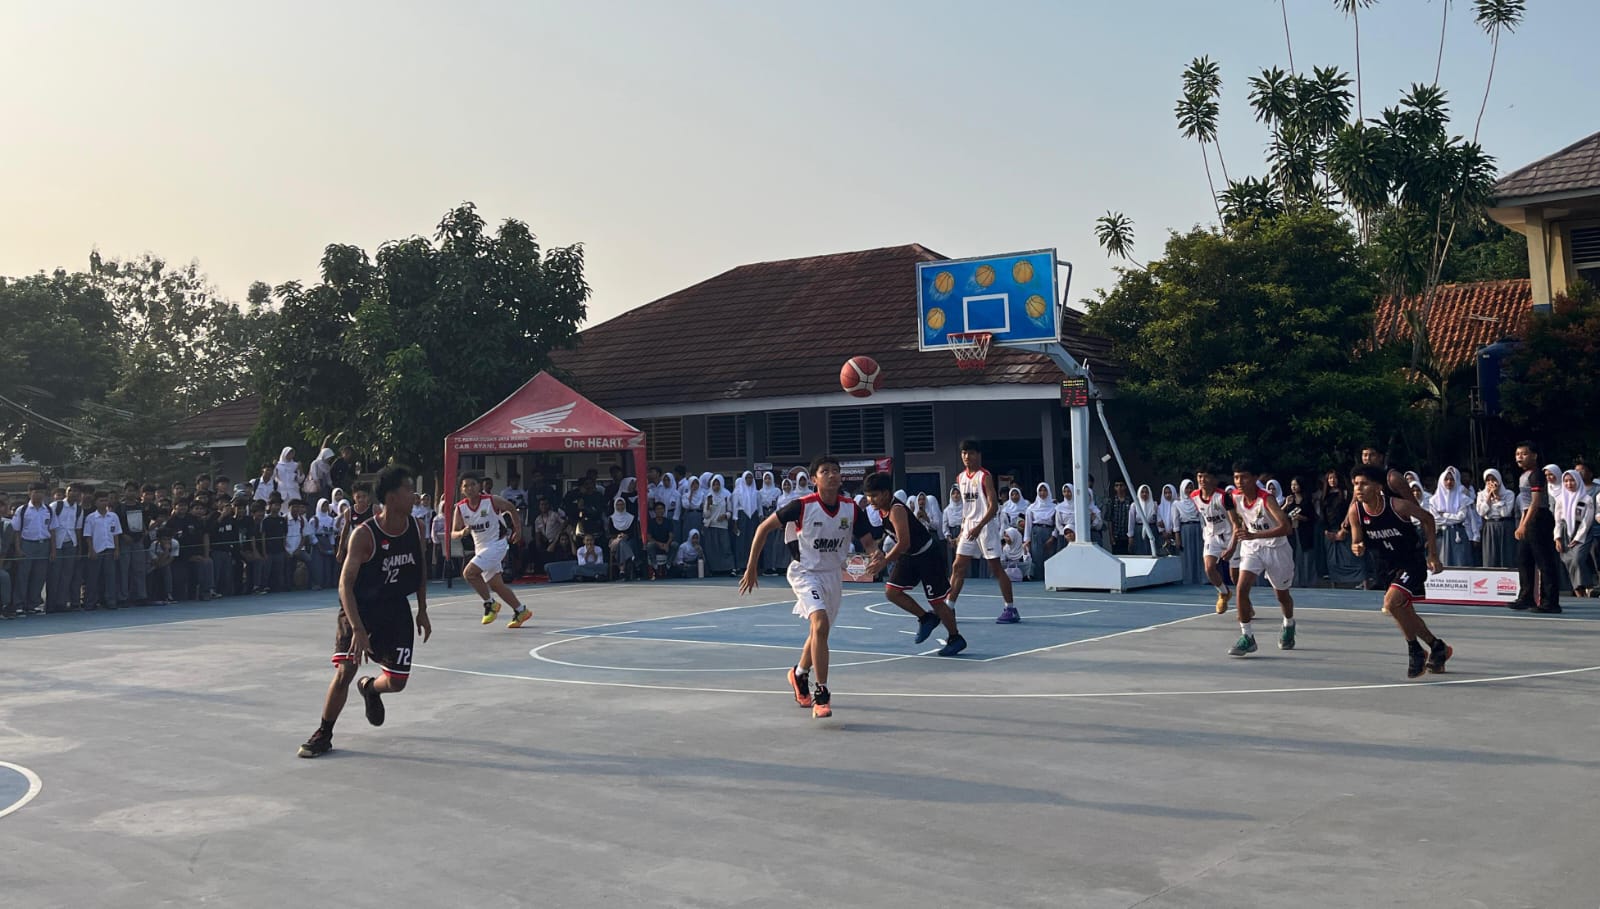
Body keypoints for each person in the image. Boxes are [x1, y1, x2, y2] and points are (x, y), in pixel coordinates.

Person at [297, 465, 431, 758]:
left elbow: (420, 569)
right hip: (360, 608)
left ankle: (370, 688)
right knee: (346, 669)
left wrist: (422, 609)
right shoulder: (364, 534)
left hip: (394, 608)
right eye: (409, 489)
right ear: (392, 497)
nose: (414, 495)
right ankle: (324, 733)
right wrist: (357, 628)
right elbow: (344, 585)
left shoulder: (417, 527)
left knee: (397, 683)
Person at [740, 455, 881, 719]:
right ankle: (822, 693)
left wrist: (876, 555)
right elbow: (762, 528)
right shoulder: (801, 506)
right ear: (814, 479)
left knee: (820, 632)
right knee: (820, 624)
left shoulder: (851, 508)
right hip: (805, 572)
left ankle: (799, 673)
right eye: (825, 471)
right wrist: (751, 567)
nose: (832, 475)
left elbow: (868, 542)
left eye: (835, 470)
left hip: (833, 575)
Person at [1348, 466, 1453, 678]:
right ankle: (1437, 646)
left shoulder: (1397, 506)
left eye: (1364, 483)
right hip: (1386, 566)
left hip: (1410, 562)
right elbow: (1356, 541)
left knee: (1391, 603)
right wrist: (1357, 547)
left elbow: (1428, 519)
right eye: (1356, 484)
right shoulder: (1355, 512)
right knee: (1403, 612)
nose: (1358, 488)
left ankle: (1415, 650)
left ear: (1378, 487)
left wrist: (1433, 555)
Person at [863, 472, 965, 656]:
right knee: (892, 592)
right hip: (910, 555)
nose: (871, 500)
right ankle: (926, 618)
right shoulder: (881, 510)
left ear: (886, 493)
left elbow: (904, 542)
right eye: (868, 496)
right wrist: (878, 550)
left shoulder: (896, 510)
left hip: (927, 554)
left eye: (874, 495)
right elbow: (894, 534)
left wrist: (885, 561)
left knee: (937, 601)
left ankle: (955, 637)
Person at [1225, 462, 1297, 657]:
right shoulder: (1234, 497)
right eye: (1236, 477)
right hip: (1252, 547)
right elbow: (1237, 521)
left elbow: (1286, 528)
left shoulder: (1266, 499)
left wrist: (1254, 535)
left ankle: (1289, 623)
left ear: (1255, 478)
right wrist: (1232, 545)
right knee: (1241, 588)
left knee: (1282, 596)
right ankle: (1247, 637)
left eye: (1244, 477)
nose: (1239, 481)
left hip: (1276, 549)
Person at [947, 439, 1020, 623]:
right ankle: (949, 607)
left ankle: (1010, 608)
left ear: (978, 455)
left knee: (995, 568)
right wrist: (962, 531)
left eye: (970, 453)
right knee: (957, 567)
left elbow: (993, 506)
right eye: (964, 453)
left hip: (985, 526)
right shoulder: (960, 478)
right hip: (968, 527)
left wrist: (979, 526)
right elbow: (966, 508)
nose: (967, 456)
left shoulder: (984, 476)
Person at [452, 472, 532, 628]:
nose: (470, 488)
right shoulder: (460, 508)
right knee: (496, 585)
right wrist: (462, 532)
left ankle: (490, 604)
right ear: (461, 489)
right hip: (481, 548)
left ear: (479, 486)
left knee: (469, 573)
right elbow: (453, 533)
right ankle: (521, 610)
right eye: (466, 486)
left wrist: (518, 530)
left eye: (473, 484)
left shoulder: (491, 500)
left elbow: (511, 508)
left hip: (496, 544)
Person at [1510, 443, 1561, 612]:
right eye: (1517, 454)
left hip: (1539, 518)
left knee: (1544, 561)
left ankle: (1550, 602)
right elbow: (1525, 505)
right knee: (1523, 559)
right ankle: (1526, 597)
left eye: (1524, 454)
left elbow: (1535, 502)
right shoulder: (1523, 475)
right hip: (1528, 518)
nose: (1519, 457)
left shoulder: (1536, 475)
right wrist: (1521, 524)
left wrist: (1525, 524)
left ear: (1534, 456)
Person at [1189, 468, 1237, 613]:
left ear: (1214, 479)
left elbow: (1235, 523)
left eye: (1206, 476)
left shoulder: (1223, 497)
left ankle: (1245, 603)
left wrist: (1232, 547)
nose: (1202, 480)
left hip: (1229, 535)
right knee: (1209, 568)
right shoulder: (1194, 496)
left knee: (1235, 578)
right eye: (1199, 476)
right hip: (1212, 535)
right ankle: (1224, 593)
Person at [1555, 469, 1595, 598]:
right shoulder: (1561, 499)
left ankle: (1585, 585)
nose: (1569, 484)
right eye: (1566, 481)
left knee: (1577, 559)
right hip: (1565, 533)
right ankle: (1579, 589)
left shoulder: (1587, 499)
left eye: (1572, 480)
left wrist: (1578, 538)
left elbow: (1587, 521)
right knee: (1568, 561)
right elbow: (1558, 520)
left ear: (1578, 481)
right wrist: (1558, 538)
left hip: (1582, 534)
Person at [82, 492, 123, 611]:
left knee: (110, 577)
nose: (104, 503)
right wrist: (91, 550)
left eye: (105, 500)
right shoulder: (91, 517)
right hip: (97, 550)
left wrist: (117, 549)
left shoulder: (113, 516)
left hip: (110, 549)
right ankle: (90, 602)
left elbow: (116, 534)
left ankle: (111, 601)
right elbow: (88, 536)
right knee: (93, 578)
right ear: (95, 503)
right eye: (101, 500)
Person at [1428, 467, 1475, 567]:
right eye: (1446, 479)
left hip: (1458, 534)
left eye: (1452, 479)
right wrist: (1453, 518)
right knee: (1442, 562)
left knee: (1460, 562)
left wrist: (1444, 515)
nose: (1449, 482)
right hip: (1441, 535)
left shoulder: (1462, 498)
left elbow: (1461, 517)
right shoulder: (1434, 500)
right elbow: (1436, 519)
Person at [1477, 468, 1517, 569]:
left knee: (1506, 556)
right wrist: (1489, 497)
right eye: (1488, 480)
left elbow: (1505, 513)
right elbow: (1481, 512)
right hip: (1490, 526)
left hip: (1505, 525)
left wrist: (1497, 498)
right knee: (1491, 556)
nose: (1491, 483)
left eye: (1493, 479)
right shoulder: (1481, 495)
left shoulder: (1509, 494)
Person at [1283, 477, 1318, 588]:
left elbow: (1313, 518)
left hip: (1304, 532)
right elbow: (1281, 514)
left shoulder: (1307, 501)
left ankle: (1307, 581)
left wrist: (1302, 518)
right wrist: (1286, 504)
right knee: (1294, 556)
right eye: (1292, 485)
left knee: (1306, 557)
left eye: (1296, 484)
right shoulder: (1290, 500)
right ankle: (1294, 581)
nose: (1293, 487)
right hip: (1292, 532)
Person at [1174, 479, 1204, 584]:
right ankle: (1188, 579)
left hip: (1197, 528)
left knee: (1198, 553)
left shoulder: (1197, 501)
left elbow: (1201, 517)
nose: (1189, 490)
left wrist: (1204, 531)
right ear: (1182, 489)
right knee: (1187, 554)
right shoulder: (1177, 504)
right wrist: (1177, 538)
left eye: (1191, 487)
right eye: (1187, 488)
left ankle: (1200, 578)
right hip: (1185, 529)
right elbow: (1176, 522)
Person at [702, 475, 734, 575]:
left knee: (725, 547)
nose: (716, 486)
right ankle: (715, 570)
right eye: (714, 484)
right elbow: (706, 515)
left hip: (722, 525)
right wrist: (708, 505)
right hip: (711, 525)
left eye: (718, 484)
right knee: (712, 549)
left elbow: (730, 511)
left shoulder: (726, 495)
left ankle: (728, 568)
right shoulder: (708, 496)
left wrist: (725, 516)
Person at [606, 497, 640, 581]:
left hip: (628, 540)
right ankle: (632, 557)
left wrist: (626, 536)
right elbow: (609, 533)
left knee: (622, 544)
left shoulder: (631, 517)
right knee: (620, 542)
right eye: (618, 505)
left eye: (622, 505)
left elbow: (633, 532)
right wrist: (618, 536)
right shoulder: (611, 518)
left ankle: (622, 571)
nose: (620, 507)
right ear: (615, 506)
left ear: (625, 505)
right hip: (614, 540)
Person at [1025, 482, 1056, 572]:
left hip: (1049, 532)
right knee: (1037, 556)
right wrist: (1027, 540)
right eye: (1040, 490)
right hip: (1036, 533)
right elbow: (1028, 525)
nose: (1042, 493)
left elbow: (1057, 524)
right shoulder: (1031, 508)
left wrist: (1053, 537)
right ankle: (1038, 576)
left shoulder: (1054, 507)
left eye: (1045, 490)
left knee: (1050, 555)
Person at [1128, 484, 1160, 555]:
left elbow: (1158, 519)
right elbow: (1131, 522)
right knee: (1140, 551)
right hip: (1139, 531)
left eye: (1146, 492)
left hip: (1152, 529)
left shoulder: (1154, 505)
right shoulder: (1134, 505)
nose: (1144, 494)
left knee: (1152, 551)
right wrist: (1130, 536)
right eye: (1142, 492)